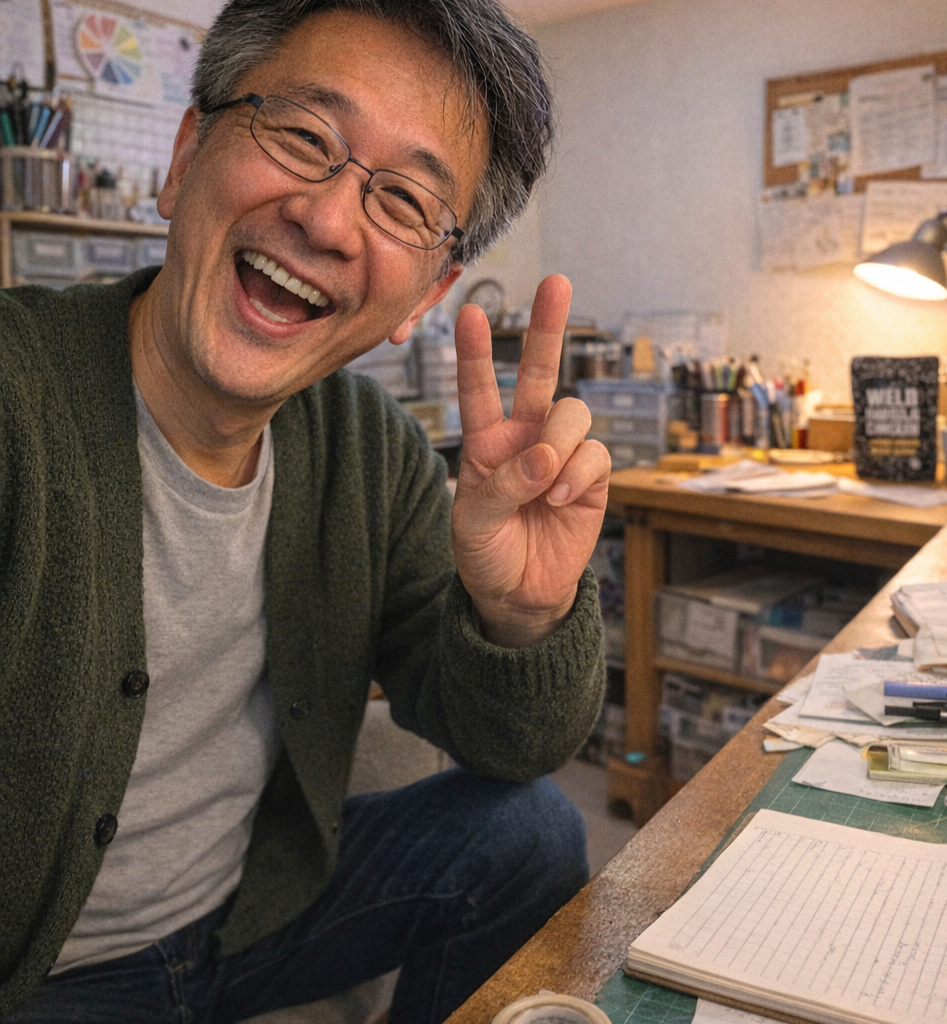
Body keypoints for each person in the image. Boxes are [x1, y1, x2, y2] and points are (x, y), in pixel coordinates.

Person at [0, 1, 611, 1022]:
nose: (327, 221)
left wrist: (520, 615)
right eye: (301, 137)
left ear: (427, 292)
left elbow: (506, 741)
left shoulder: (371, 449)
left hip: (251, 913)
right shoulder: (22, 398)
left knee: (530, 833)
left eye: (405, 201)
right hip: (42, 976)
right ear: (187, 153)